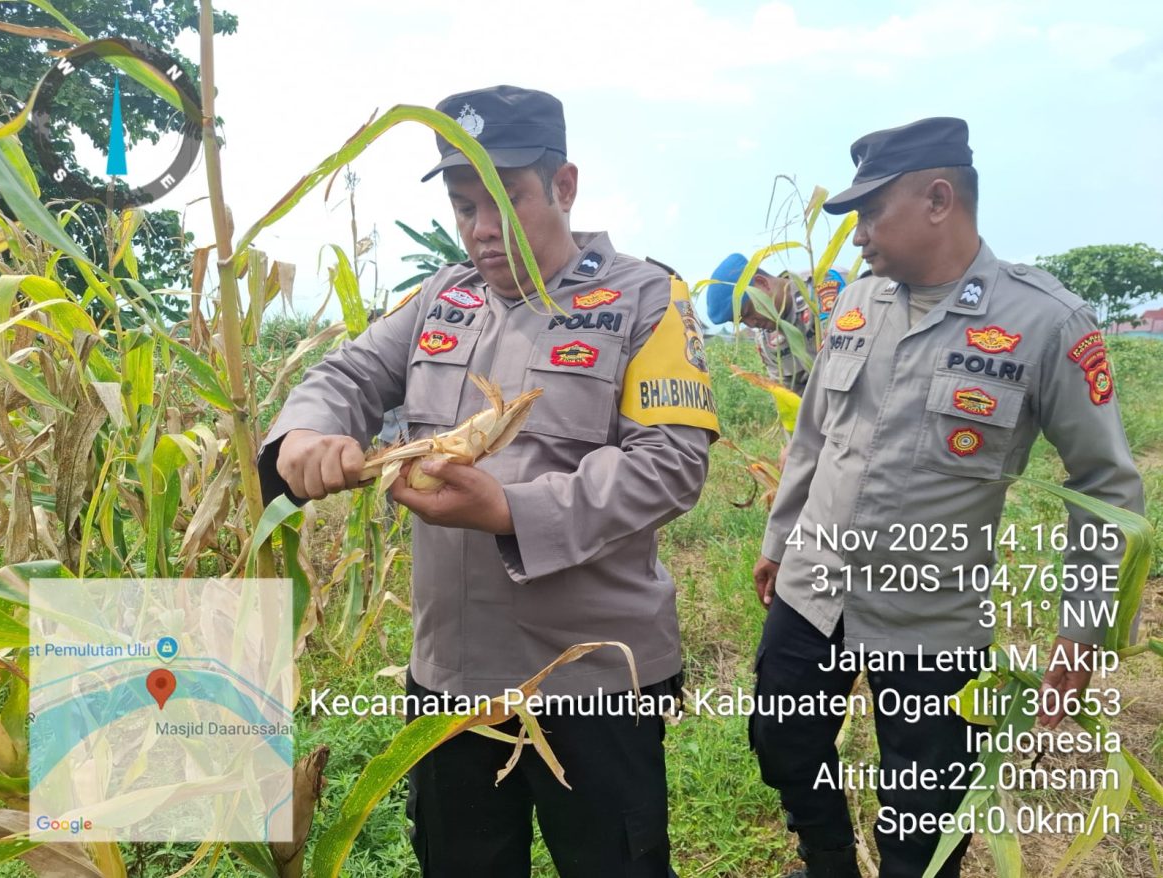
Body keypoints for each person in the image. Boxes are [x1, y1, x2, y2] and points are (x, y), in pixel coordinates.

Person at [257, 84, 718, 877]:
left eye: (505, 203)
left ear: (564, 186)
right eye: (465, 207)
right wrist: (304, 431)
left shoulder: (645, 300)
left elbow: (670, 464)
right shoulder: (443, 298)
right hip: (452, 678)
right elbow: (348, 375)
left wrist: (509, 510)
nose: (481, 231)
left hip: (594, 681)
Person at [748, 117, 1144, 878]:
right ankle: (826, 863)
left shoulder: (1045, 322)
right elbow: (814, 436)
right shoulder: (856, 303)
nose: (859, 234)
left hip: (930, 617)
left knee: (926, 810)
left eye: (871, 212)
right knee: (782, 740)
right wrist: (779, 540)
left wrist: (1083, 629)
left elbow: (1106, 485)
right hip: (814, 588)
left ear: (938, 199)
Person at [704, 255, 846, 394]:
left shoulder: (826, 286)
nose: (751, 324)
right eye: (742, 321)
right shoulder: (768, 343)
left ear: (762, 283)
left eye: (748, 312)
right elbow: (791, 397)